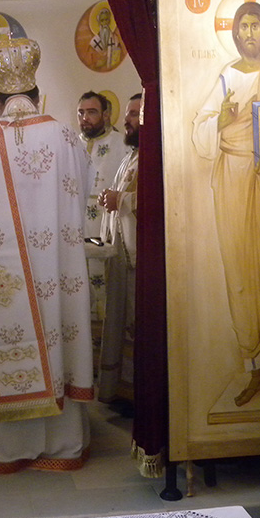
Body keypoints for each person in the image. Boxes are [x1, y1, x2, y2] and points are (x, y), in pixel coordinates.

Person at [0, 35, 94, 473]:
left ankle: (8, 449)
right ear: (37, 94)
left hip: (5, 279)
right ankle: (63, 445)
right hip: (58, 271)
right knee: (58, 335)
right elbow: (84, 196)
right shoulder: (67, 137)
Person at [192, 1, 260, 407]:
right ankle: (255, 369)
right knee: (240, 274)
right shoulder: (227, 75)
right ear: (235, 33)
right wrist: (219, 122)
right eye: (244, 26)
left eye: (256, 26)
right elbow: (200, 128)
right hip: (232, 182)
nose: (250, 33)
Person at [78, 91, 130, 374]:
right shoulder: (73, 144)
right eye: (81, 113)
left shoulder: (121, 144)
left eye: (92, 112)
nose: (85, 118)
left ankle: (108, 361)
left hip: (107, 226)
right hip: (77, 230)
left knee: (107, 289)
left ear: (107, 115)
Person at [97, 93, 143, 403]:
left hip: (141, 262)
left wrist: (121, 200)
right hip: (122, 256)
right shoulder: (131, 157)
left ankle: (136, 394)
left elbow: (160, 202)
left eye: (134, 114)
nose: (127, 120)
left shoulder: (157, 157)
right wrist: (110, 198)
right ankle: (121, 391)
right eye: (128, 113)